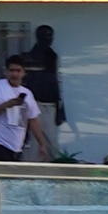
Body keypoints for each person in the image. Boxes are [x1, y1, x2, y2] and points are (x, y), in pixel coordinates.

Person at [0, 55, 50, 162]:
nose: (14, 74)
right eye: (11, 70)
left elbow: (33, 120)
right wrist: (6, 105)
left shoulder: (27, 93)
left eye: (18, 71)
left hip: (16, 148)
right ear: (6, 72)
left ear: (24, 73)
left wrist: (42, 144)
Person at [20, 26, 65, 157]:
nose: (49, 39)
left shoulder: (52, 56)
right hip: (34, 102)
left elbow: (55, 81)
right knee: (35, 140)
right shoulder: (29, 57)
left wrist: (59, 108)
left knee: (51, 139)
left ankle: (55, 167)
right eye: (46, 35)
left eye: (51, 35)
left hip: (49, 103)